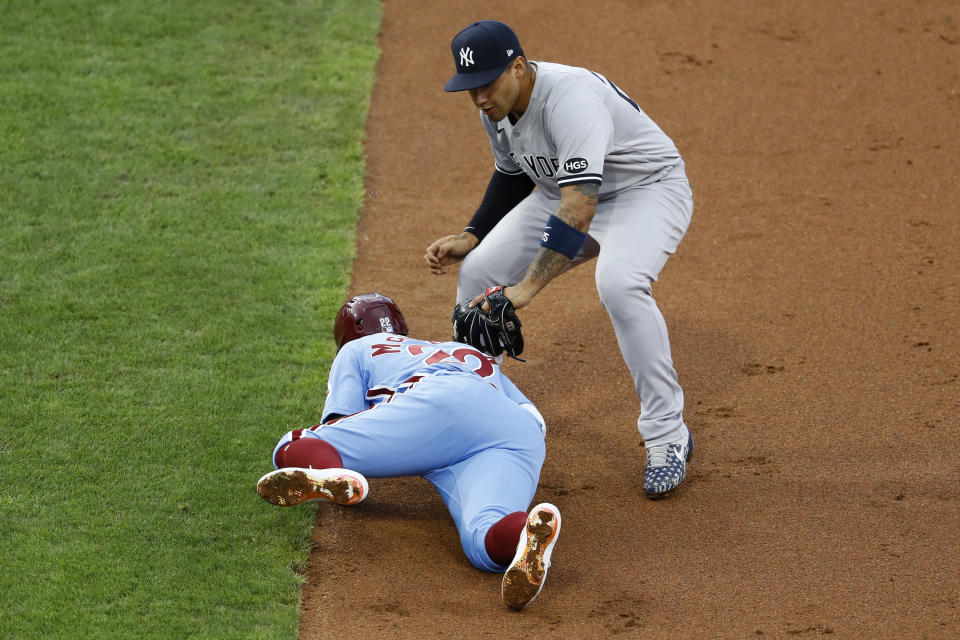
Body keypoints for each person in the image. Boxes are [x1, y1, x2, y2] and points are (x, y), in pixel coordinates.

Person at [424, 20, 695, 499]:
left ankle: (666, 434)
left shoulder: (571, 100)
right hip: (563, 195)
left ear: (519, 67)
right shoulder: (495, 106)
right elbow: (512, 174)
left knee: (619, 282)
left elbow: (580, 206)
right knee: (478, 271)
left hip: (644, 192)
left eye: (487, 83)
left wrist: (527, 287)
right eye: (471, 88)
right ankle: (471, 417)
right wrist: (473, 233)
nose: (480, 97)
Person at [256, 293, 562, 610]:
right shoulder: (462, 350)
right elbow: (535, 421)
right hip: (515, 434)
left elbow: (338, 420)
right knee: (482, 542)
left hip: (437, 406)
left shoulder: (357, 348)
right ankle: (523, 534)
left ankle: (329, 472)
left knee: (296, 443)